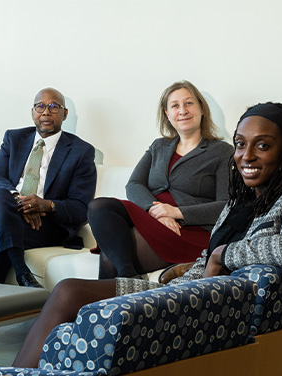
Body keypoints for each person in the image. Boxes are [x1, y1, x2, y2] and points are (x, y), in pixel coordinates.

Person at [13, 102, 282, 368]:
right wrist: (186, 271)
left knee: (71, 293)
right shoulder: (243, 199)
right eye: (240, 144)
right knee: (70, 290)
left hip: (203, 310)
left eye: (262, 145)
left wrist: (223, 255)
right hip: (185, 291)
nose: (246, 156)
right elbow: (208, 257)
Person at [0, 87, 96, 355]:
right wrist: (19, 200)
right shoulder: (14, 139)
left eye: (54, 106)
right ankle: (22, 271)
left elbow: (81, 208)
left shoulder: (81, 152)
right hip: (2, 208)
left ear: (65, 114)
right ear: (32, 112)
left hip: (42, 223)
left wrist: (46, 204)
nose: (46, 112)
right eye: (40, 106)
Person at [88, 81, 233, 278]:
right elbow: (134, 184)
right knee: (99, 207)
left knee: (109, 254)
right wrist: (158, 211)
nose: (182, 111)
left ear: (201, 108)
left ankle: (126, 280)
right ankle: (129, 280)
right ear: (167, 114)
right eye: (175, 106)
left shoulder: (222, 151)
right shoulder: (159, 146)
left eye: (189, 103)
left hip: (189, 231)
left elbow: (225, 206)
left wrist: (176, 212)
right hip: (152, 218)